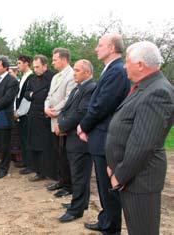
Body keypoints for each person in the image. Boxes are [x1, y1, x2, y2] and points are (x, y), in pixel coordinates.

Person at [106, 41, 174, 235]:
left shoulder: (158, 92)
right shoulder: (144, 86)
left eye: (127, 62)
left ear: (140, 64)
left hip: (141, 178)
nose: (125, 66)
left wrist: (120, 175)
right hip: (132, 175)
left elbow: (143, 144)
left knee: (142, 230)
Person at [77, 33, 130, 234]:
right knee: (102, 184)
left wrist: (84, 126)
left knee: (108, 186)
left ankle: (111, 227)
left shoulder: (117, 71)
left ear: (111, 48)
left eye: (100, 45)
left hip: (107, 136)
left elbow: (101, 105)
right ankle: (105, 220)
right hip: (101, 135)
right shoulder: (111, 69)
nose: (96, 49)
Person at [56, 59, 96, 222]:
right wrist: (61, 122)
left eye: (77, 70)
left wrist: (62, 126)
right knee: (77, 174)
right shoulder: (78, 88)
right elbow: (66, 108)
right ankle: (80, 203)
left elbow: (81, 113)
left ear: (87, 72)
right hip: (70, 136)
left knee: (80, 176)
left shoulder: (91, 88)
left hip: (80, 140)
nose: (74, 73)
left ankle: (76, 210)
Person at [45, 48, 76, 197]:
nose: (53, 62)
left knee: (64, 154)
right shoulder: (55, 76)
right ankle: (61, 180)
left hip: (62, 120)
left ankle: (68, 185)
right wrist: (46, 108)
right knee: (57, 153)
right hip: (52, 119)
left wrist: (54, 111)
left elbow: (69, 99)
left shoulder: (72, 75)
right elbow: (49, 96)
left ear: (64, 60)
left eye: (55, 59)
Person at [24, 55, 55, 182]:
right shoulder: (32, 78)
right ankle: (38, 171)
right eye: (34, 67)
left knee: (46, 146)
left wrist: (35, 95)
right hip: (33, 115)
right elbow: (27, 93)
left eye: (37, 67)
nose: (35, 69)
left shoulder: (52, 77)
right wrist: (32, 94)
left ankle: (49, 171)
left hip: (45, 116)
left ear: (45, 66)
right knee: (34, 144)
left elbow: (48, 96)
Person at [14, 55, 35, 175]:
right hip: (21, 113)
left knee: (27, 139)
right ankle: (25, 161)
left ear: (26, 63)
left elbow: (27, 99)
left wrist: (19, 112)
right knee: (22, 138)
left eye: (19, 63)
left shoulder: (31, 77)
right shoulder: (24, 77)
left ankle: (30, 165)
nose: (18, 65)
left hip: (26, 113)